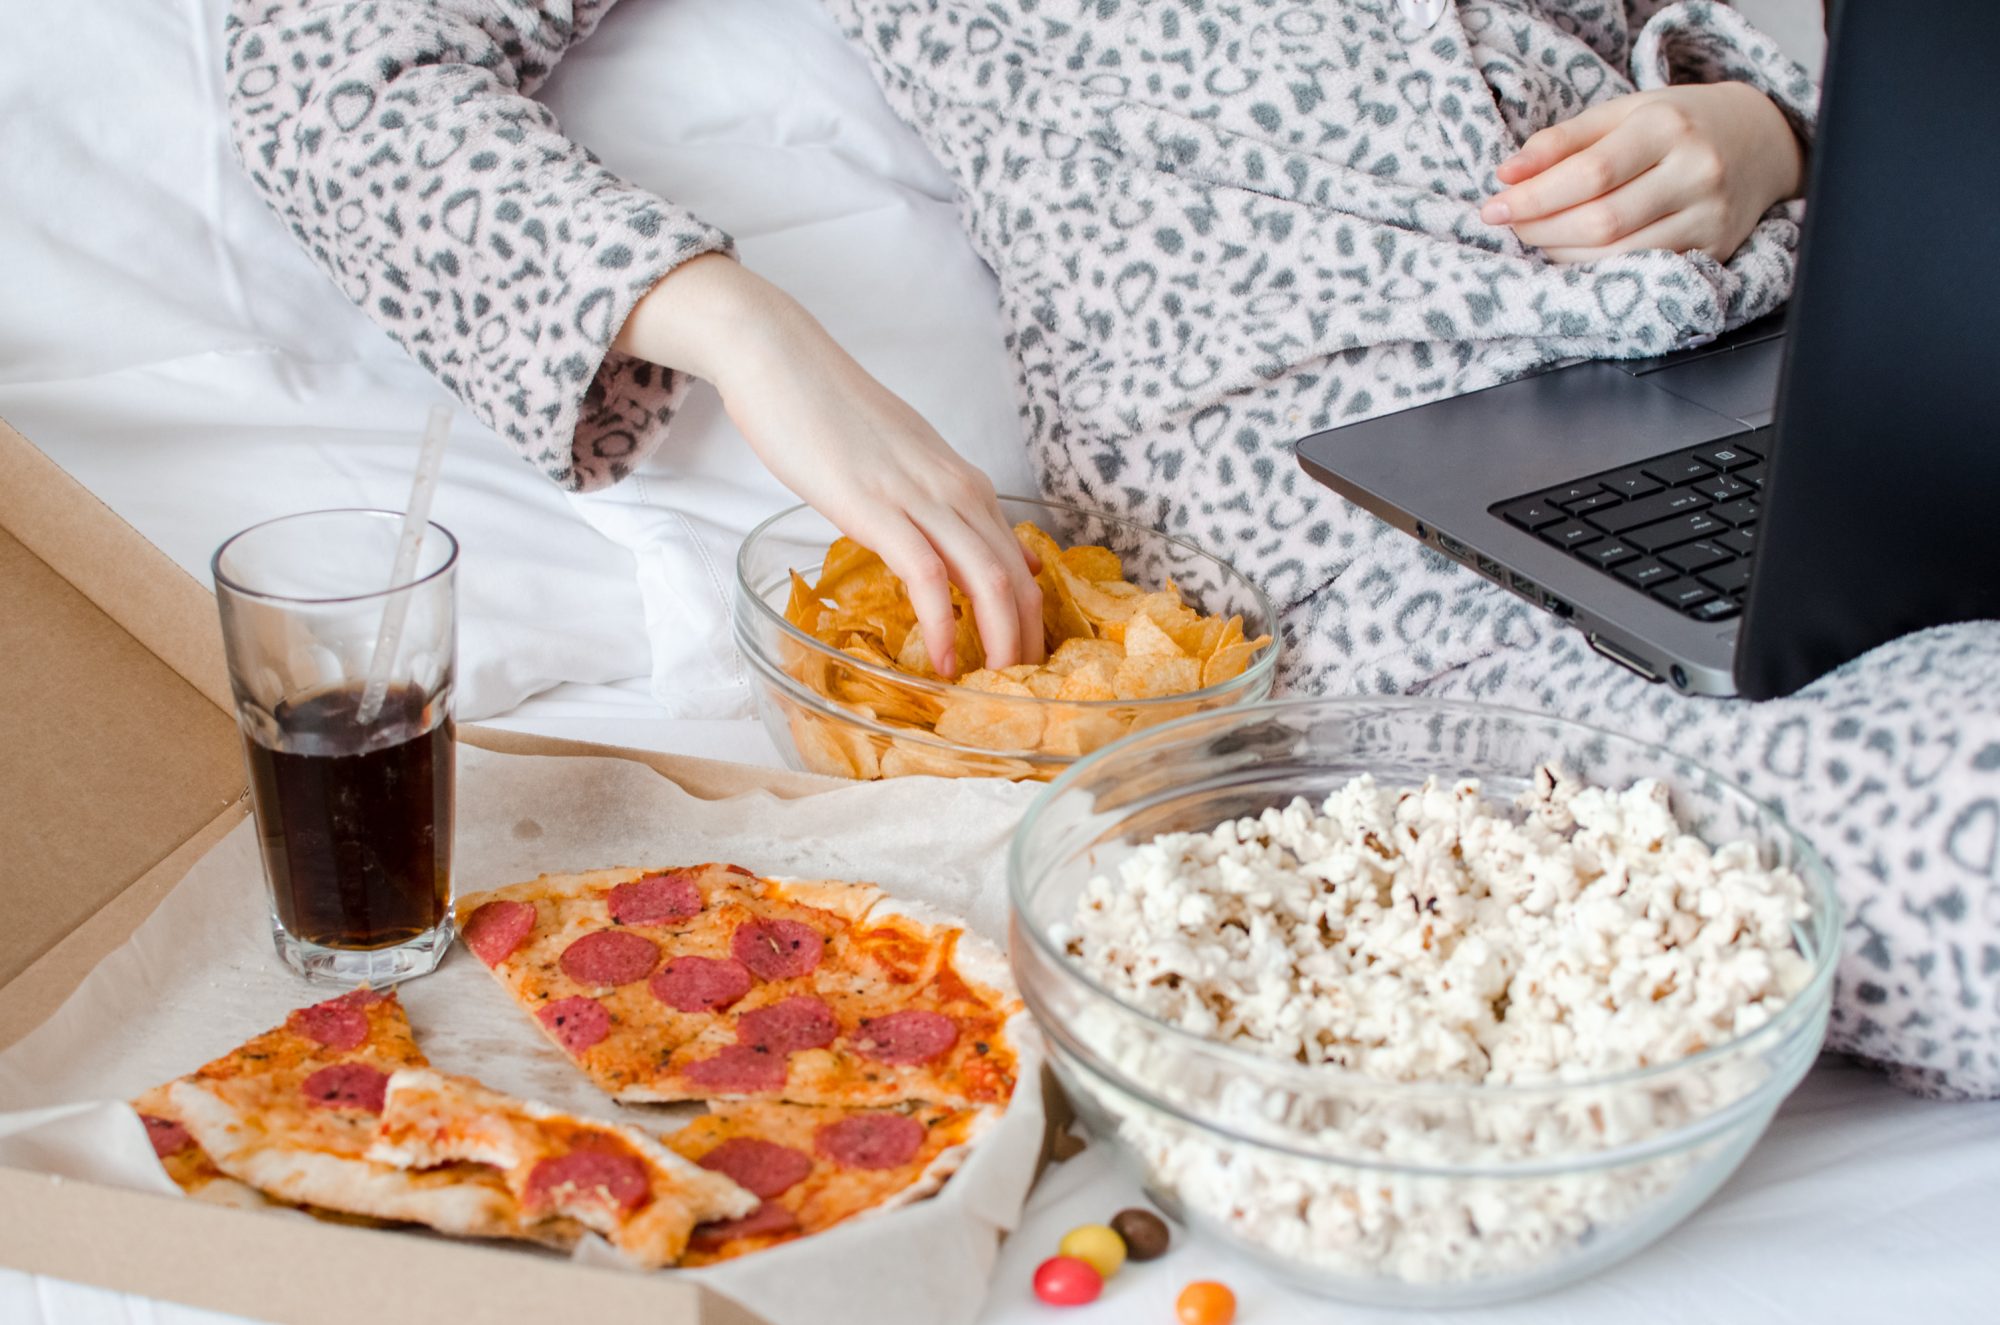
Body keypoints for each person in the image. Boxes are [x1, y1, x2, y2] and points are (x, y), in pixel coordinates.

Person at [221, 2, 2000, 1100]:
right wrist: (744, 333)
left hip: (1793, 365)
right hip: (1380, 536)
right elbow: (321, 62)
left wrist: (1757, 127)